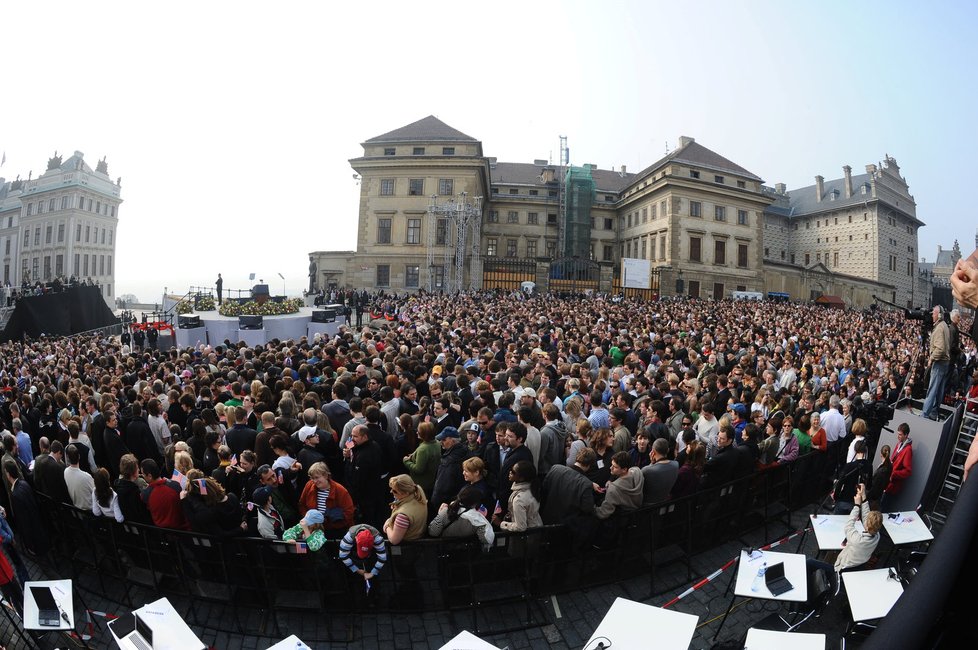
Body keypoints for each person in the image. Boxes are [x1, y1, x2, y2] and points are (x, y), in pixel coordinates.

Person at [428, 485, 496, 552]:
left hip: (445, 553)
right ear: (475, 503)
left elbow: (433, 532)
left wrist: (439, 514)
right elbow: (486, 539)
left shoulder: (446, 512)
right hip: (466, 555)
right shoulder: (477, 520)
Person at [296, 462, 354, 537]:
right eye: (312, 478)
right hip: (313, 529)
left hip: (335, 530)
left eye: (317, 477)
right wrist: (309, 519)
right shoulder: (309, 486)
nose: (314, 481)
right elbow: (302, 504)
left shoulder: (340, 490)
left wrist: (332, 523)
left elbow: (349, 512)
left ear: (326, 475)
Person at [922, 305, 951, 420]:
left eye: (933, 313)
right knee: (939, 389)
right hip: (945, 362)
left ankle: (924, 414)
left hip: (939, 362)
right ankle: (934, 412)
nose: (932, 315)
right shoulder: (944, 326)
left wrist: (931, 358)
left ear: (939, 315)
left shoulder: (939, 328)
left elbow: (940, 349)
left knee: (932, 389)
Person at [595, 452, 645, 519]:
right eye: (611, 465)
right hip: (638, 515)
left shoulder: (613, 489)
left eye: (615, 467)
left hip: (623, 520)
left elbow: (603, 513)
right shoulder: (637, 472)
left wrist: (592, 507)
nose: (610, 468)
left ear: (624, 469)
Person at [497, 460, 543, 532]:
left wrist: (500, 523)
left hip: (526, 537)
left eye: (513, 472)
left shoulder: (519, 500)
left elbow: (520, 527)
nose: (510, 472)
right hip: (536, 528)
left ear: (521, 478)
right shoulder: (533, 488)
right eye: (511, 469)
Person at [382, 474, 428, 544]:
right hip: (419, 541)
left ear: (406, 493)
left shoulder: (403, 516)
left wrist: (387, 526)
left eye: (395, 491)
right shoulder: (419, 499)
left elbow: (394, 540)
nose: (391, 492)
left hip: (407, 548)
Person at [402, 421, 439, 500]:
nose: (417, 432)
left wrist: (406, 461)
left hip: (421, 484)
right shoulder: (437, 443)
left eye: (419, 431)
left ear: (424, 434)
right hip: (431, 481)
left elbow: (418, 469)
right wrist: (414, 455)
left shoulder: (423, 449)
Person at [881, 423, 913, 511]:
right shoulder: (899, 444)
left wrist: (893, 474)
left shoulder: (908, 450)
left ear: (906, 435)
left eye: (900, 434)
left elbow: (908, 471)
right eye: (898, 434)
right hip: (888, 483)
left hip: (892, 486)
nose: (898, 436)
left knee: (883, 509)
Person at [641, 438, 678, 504]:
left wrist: (651, 464)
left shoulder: (646, 470)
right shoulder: (676, 465)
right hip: (665, 503)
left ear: (653, 452)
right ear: (668, 450)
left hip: (648, 506)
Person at [868, 445, 892, 510]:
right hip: (880, 495)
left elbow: (874, 486)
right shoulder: (890, 466)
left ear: (881, 454)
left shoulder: (881, 471)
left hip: (873, 497)